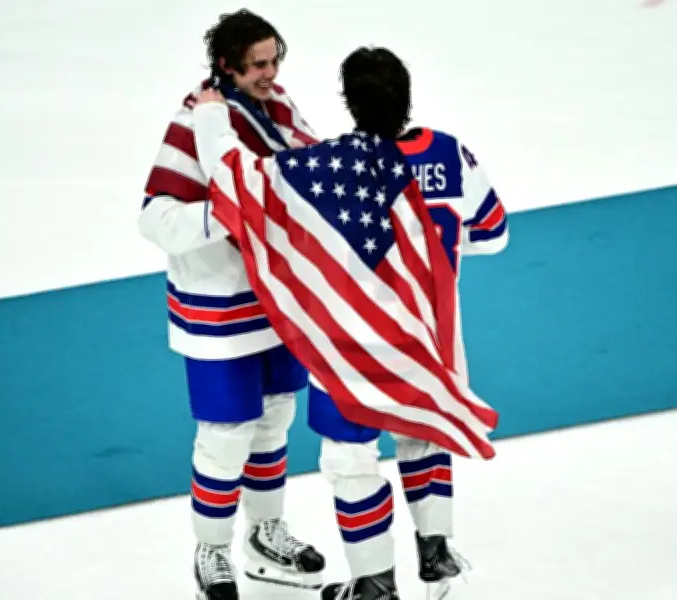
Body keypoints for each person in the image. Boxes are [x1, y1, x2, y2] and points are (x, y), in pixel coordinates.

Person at [189, 46, 508, 600]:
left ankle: (375, 586)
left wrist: (212, 115)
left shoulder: (328, 168)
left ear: (348, 101)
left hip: (353, 348)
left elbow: (239, 178)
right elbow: (493, 233)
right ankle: (435, 554)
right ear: (406, 96)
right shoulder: (450, 154)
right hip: (432, 337)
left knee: (350, 459)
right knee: (423, 434)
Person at [137, 9, 325, 600]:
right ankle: (211, 552)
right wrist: (226, 214)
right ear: (227, 66)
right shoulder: (196, 121)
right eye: (260, 65)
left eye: (275, 60)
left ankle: (265, 532)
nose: (272, 73)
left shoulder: (277, 110)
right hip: (218, 307)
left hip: (275, 298)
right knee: (225, 433)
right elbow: (154, 219)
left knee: (274, 420)